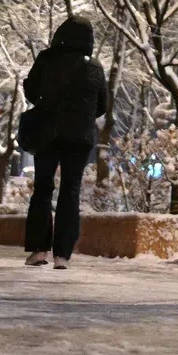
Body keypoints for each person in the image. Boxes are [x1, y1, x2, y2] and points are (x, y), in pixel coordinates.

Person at [22, 16, 108, 270]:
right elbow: (102, 106)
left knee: (43, 189)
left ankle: (39, 250)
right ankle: (63, 255)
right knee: (70, 191)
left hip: (48, 133)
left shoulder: (47, 59)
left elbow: (30, 90)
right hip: (79, 137)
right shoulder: (94, 66)